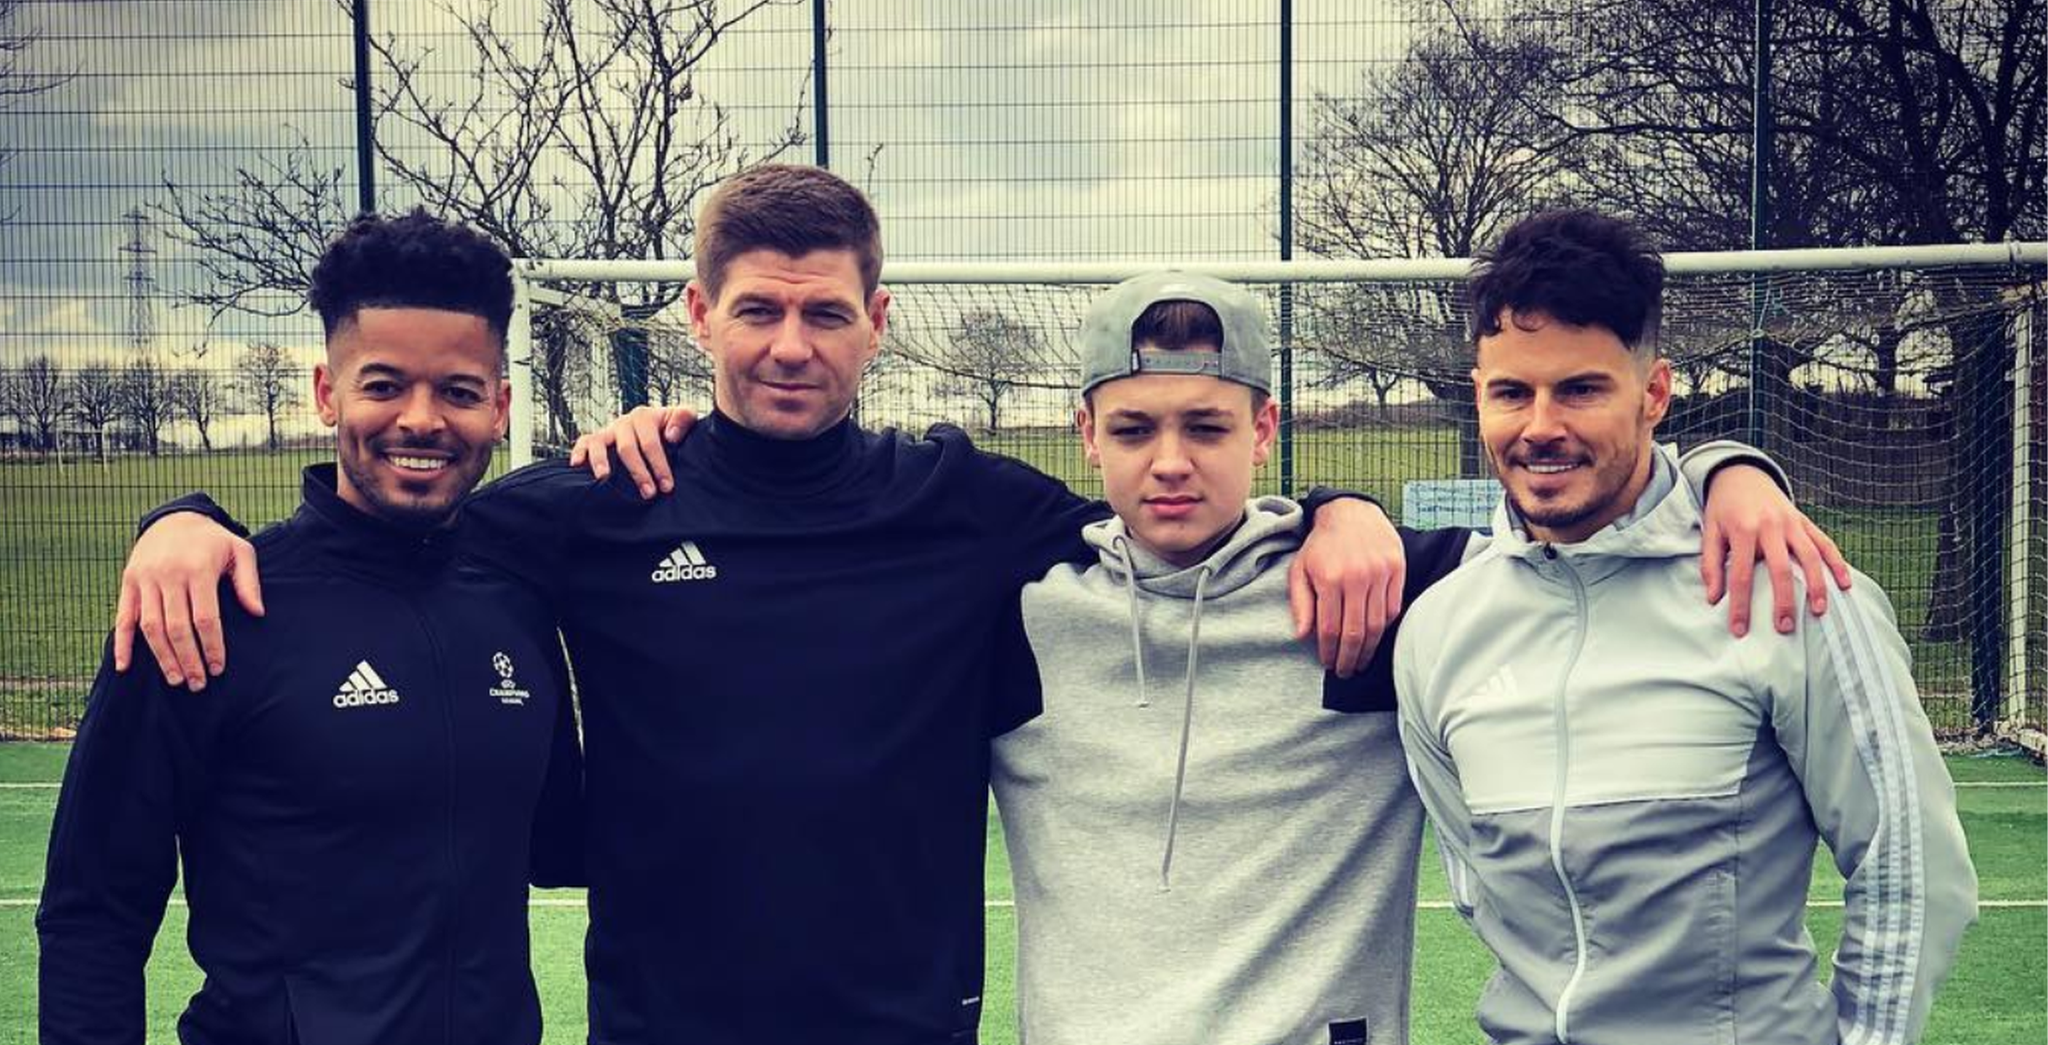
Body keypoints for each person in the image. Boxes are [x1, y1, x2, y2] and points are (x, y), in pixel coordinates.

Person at [117, 166, 1841, 1044]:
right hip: (665, 1021)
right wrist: (190, 514)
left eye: (825, 312)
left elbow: (1268, 503)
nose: (789, 342)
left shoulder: (971, 508)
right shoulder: (586, 507)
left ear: (878, 325)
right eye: (756, 309)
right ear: (700, 318)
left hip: (905, 1024)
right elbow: (385, 532)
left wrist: (1718, 462)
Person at [984, 271, 1814, 1045]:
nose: (1171, 460)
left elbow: (1579, 530)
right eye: (1134, 428)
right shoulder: (1013, 610)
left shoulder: (1385, 594)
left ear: (1265, 429)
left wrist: (1724, 471)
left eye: (1207, 426)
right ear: (1088, 435)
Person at [1394, 209, 1977, 1045]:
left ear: (1654, 394)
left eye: (1582, 389)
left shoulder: (1792, 589)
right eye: (1511, 392)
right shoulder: (1440, 629)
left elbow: (1912, 872)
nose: (1541, 426)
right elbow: (1477, 884)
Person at [38, 210, 582, 1045]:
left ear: (501, 406)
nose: (422, 419)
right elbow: (92, 912)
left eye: (459, 391)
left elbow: (560, 848)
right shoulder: (207, 608)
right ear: (328, 392)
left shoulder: (514, 599)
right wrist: (176, 517)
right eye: (385, 384)